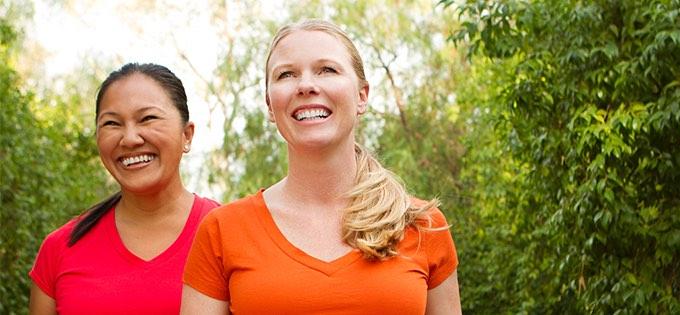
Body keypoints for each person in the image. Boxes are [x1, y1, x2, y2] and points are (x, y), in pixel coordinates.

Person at [181, 20, 461, 314]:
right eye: (286, 74)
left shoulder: (423, 225)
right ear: (269, 104)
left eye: (327, 69)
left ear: (362, 96)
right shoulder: (222, 230)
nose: (305, 86)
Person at [28, 63, 219, 315]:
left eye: (148, 118)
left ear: (187, 135)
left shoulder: (228, 235)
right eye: (112, 123)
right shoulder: (59, 249)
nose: (130, 138)